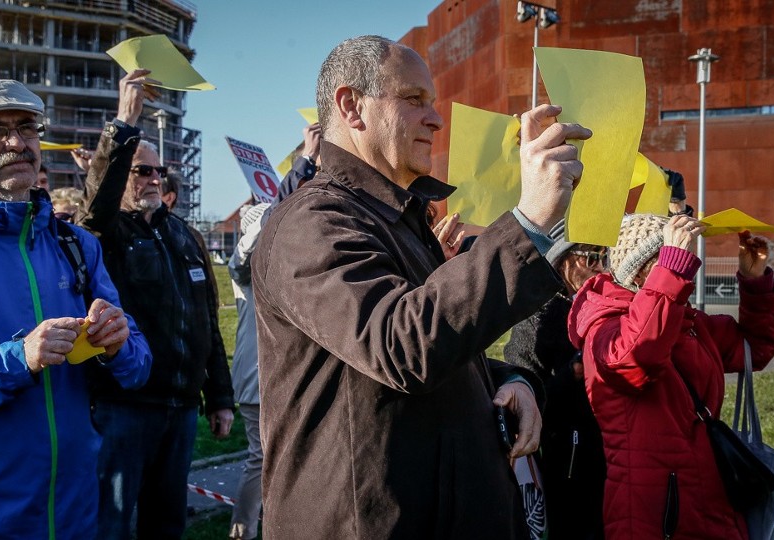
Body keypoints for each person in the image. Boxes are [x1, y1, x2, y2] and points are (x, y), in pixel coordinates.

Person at [251, 35, 592, 539]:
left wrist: (508, 382)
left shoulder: (397, 217)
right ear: (351, 106)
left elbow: (436, 346)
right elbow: (400, 345)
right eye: (413, 101)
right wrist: (529, 221)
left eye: (432, 103)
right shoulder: (312, 222)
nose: (435, 119)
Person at [0, 79, 151, 539]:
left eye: (27, 128)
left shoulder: (76, 244)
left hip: (75, 513)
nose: (16, 143)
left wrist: (118, 344)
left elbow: (138, 367)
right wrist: (18, 359)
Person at [74, 69, 235, 540]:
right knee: (114, 525)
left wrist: (219, 397)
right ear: (123, 174)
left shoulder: (183, 235)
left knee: (166, 524)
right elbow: (96, 203)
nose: (152, 178)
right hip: (125, 407)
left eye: (158, 171)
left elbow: (206, 319)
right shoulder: (107, 232)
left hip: (181, 409)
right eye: (141, 169)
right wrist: (124, 123)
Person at [567, 213, 774, 539]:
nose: (686, 271)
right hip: (654, 514)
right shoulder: (604, 323)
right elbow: (632, 362)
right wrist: (670, 274)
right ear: (640, 269)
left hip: (714, 501)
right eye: (668, 259)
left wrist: (754, 282)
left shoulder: (686, 322)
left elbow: (755, 348)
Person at [226, 123, 321, 540]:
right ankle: (243, 530)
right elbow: (271, 226)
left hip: (274, 375)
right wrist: (304, 163)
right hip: (256, 379)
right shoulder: (246, 261)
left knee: (280, 458)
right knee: (259, 459)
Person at [502, 220, 607, 540]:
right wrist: (571, 374)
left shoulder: (601, 299)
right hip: (563, 456)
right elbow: (524, 386)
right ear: (567, 259)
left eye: (605, 256)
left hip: (604, 446)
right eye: (592, 258)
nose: (601, 267)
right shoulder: (540, 309)